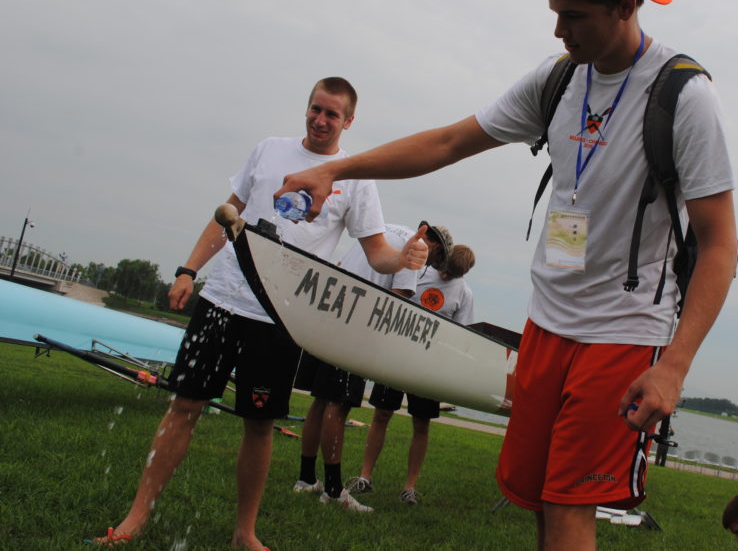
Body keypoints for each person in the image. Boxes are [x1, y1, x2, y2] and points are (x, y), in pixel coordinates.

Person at [275, 0, 738, 550]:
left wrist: (674, 366)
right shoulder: (557, 80)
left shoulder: (684, 96)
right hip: (547, 325)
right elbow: (445, 144)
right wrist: (333, 169)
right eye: (554, 15)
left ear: (625, 6)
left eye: (573, 17)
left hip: (625, 331)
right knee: (536, 498)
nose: (558, 33)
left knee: (568, 502)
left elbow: (720, 245)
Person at [92, 78, 429, 550]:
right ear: (307, 108)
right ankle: (135, 517)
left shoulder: (355, 179)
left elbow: (377, 254)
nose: (320, 120)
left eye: (332, 114)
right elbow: (227, 212)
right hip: (223, 300)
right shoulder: (268, 151)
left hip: (281, 319)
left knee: (260, 423)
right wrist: (190, 269)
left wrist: (404, 259)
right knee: (184, 405)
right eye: (315, 109)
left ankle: (244, 532)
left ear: (348, 121)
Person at [291, 222, 453, 512]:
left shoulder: (387, 229)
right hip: (354, 324)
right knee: (338, 406)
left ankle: (306, 479)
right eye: (436, 260)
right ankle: (331, 489)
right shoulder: (416, 248)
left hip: (327, 312)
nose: (430, 265)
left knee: (319, 400)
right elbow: (396, 303)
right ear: (436, 246)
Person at [347, 243, 475, 505]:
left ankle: (409, 488)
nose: (446, 277)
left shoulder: (464, 294)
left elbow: (462, 336)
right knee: (381, 414)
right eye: (445, 271)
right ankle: (365, 477)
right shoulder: (419, 273)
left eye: (453, 275)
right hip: (395, 357)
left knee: (421, 423)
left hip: (428, 367)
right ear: (443, 261)